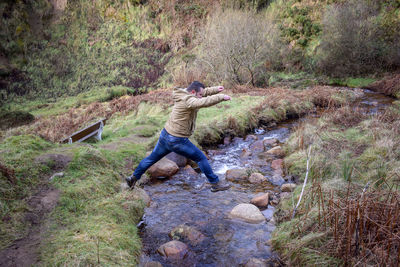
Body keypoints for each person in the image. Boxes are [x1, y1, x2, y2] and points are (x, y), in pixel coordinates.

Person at [126, 81, 232, 192]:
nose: (201, 97)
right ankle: (215, 184)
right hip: (177, 140)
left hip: (165, 135)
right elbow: (203, 102)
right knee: (201, 158)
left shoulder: (183, 93)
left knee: (151, 158)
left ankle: (133, 178)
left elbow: (200, 92)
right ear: (192, 92)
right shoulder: (188, 101)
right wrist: (221, 97)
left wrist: (215, 89)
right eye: (200, 95)